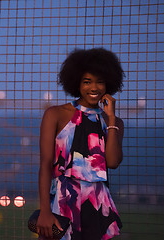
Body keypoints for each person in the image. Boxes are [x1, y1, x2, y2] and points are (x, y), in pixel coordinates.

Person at [36, 48, 124, 240]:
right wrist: (44, 210)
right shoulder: (56, 114)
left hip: (98, 205)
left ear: (109, 82)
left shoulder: (114, 122)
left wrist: (110, 120)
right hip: (62, 202)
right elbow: (45, 164)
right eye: (87, 82)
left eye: (100, 81)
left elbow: (113, 162)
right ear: (76, 82)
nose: (94, 88)